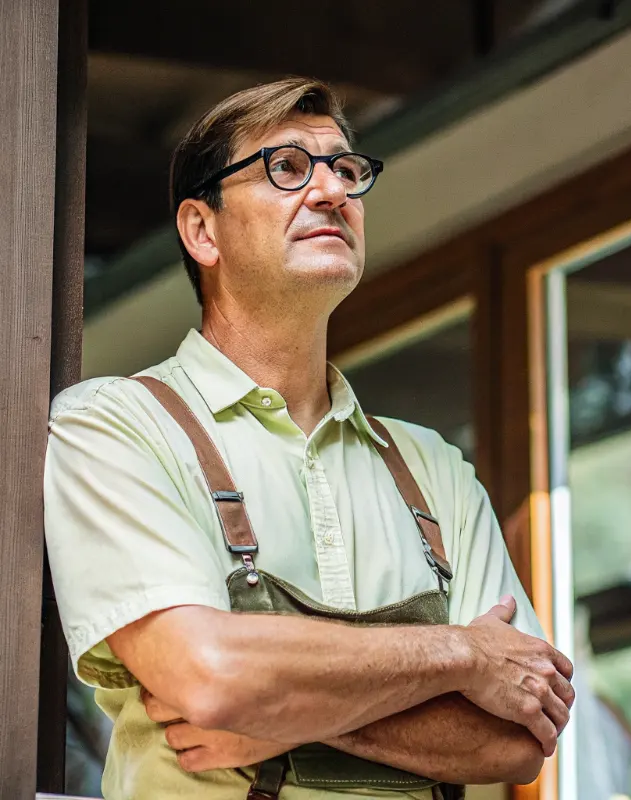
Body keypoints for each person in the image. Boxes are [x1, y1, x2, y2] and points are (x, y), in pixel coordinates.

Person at [44, 77, 575, 800]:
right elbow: (207, 674)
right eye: (286, 168)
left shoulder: (434, 468)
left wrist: (285, 716)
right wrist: (460, 654)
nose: (331, 191)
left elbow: (518, 740)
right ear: (202, 230)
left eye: (346, 170)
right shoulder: (115, 424)